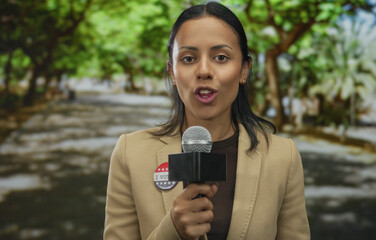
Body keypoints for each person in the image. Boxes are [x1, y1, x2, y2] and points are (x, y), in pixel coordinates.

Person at [104, 2, 310, 240]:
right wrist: (172, 230)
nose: (204, 70)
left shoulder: (284, 156)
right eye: (189, 58)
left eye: (221, 57)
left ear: (244, 69)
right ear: (171, 72)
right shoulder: (131, 153)